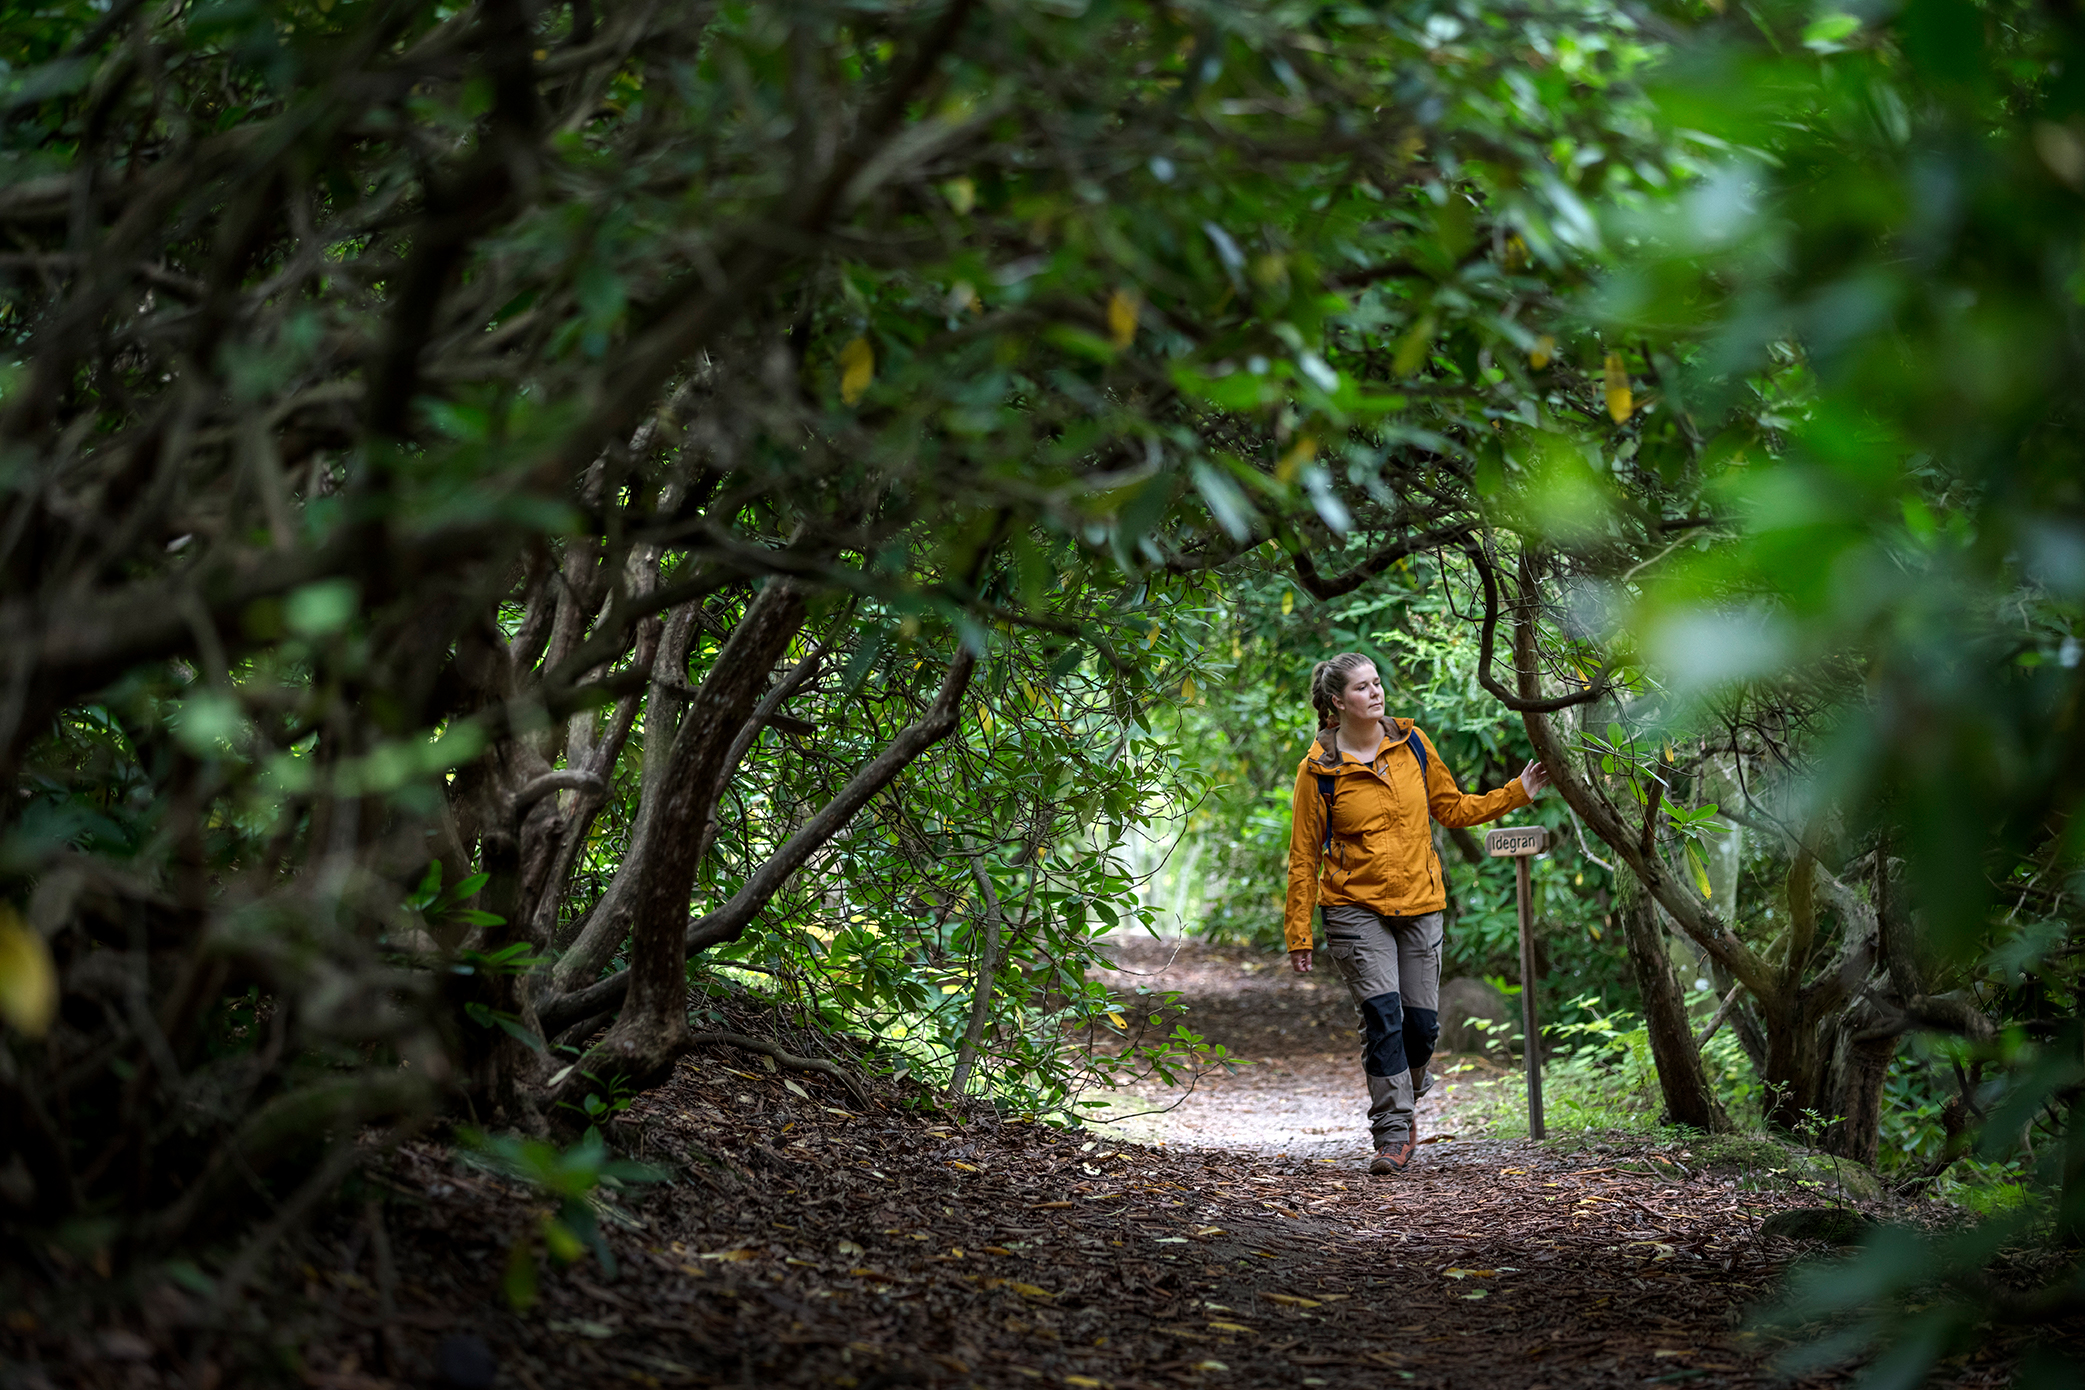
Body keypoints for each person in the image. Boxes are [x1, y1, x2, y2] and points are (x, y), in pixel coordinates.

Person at [1283, 652, 1550, 1174]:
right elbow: (1303, 856)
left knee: (1422, 1026)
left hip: (1421, 904)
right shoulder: (1318, 771)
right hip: (1354, 909)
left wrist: (1518, 793)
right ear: (1338, 704)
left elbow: (1451, 808)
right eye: (1362, 688)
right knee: (1383, 1016)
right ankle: (1392, 1133)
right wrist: (1299, 933)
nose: (1376, 693)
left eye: (1377, 683)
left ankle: (1408, 1078)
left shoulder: (1413, 745)